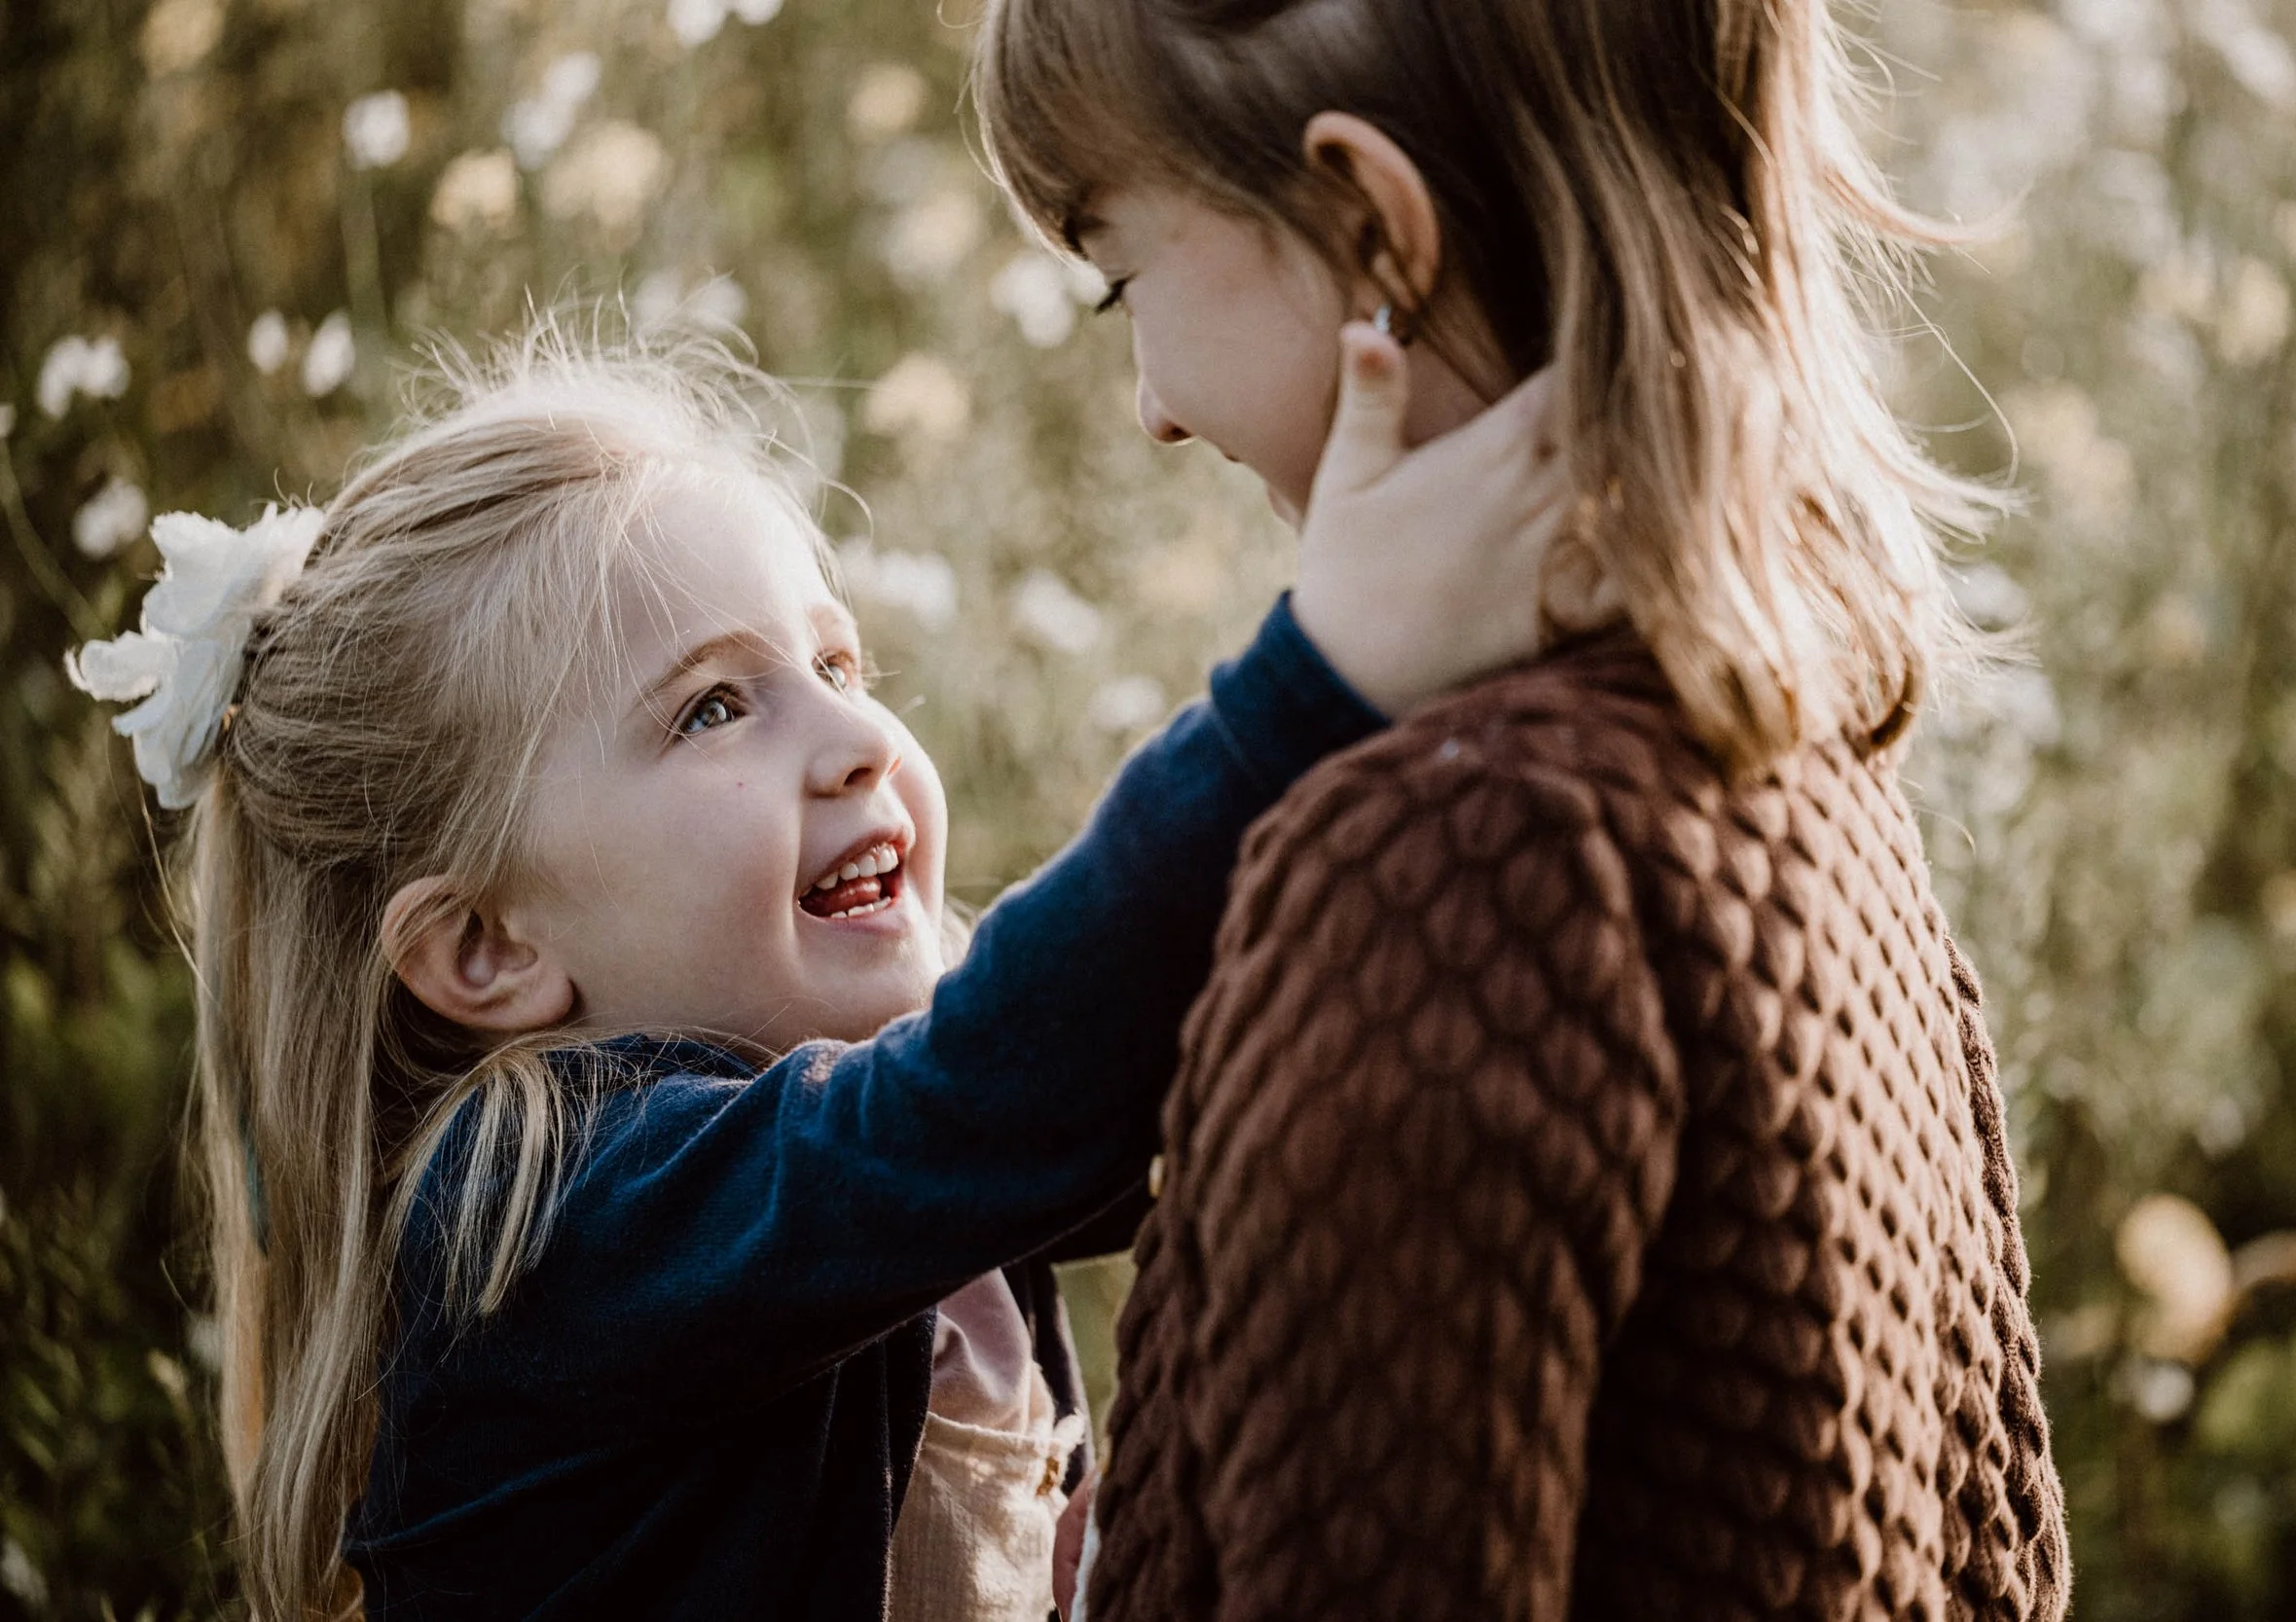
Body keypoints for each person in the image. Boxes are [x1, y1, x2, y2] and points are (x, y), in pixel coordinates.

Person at [64, 320, 1562, 1620]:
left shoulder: (886, 1125)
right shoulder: (539, 1217)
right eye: (714, 708)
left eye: (837, 666)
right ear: (488, 947)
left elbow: (1183, 1073)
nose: (855, 740)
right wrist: (1322, 677)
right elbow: (1002, 1087)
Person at [974, 1, 2072, 1617]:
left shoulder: (1446, 887)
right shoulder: (1791, 771)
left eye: (1120, 278)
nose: (1151, 407)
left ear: (1371, 233)